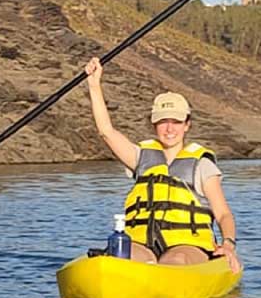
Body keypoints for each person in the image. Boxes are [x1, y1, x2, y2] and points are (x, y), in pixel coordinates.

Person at [83, 56, 238, 267]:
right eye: (163, 122)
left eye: (176, 121)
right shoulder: (140, 157)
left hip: (188, 247)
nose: (169, 128)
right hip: (143, 243)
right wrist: (94, 85)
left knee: (175, 260)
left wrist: (228, 244)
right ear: (154, 124)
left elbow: (223, 214)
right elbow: (106, 131)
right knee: (118, 256)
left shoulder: (202, 166)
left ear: (187, 125)